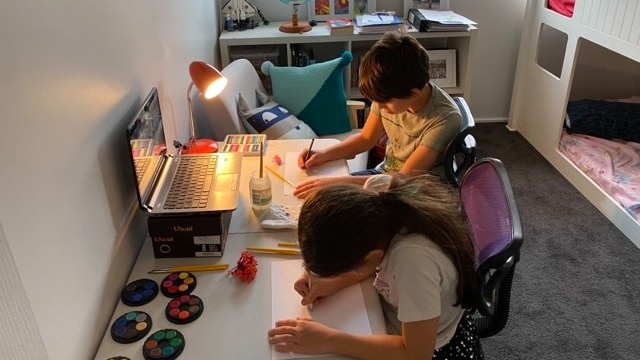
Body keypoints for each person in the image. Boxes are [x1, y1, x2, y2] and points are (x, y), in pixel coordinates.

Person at [268, 174, 484, 359]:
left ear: (371, 256)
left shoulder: (412, 262)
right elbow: (369, 261)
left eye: (345, 268)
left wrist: (328, 339)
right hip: (405, 314)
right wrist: (332, 280)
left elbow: (417, 354)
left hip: (433, 346)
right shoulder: (378, 199)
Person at [293, 32, 462, 199]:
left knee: (336, 203)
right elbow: (366, 138)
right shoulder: (389, 92)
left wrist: (339, 183)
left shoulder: (445, 118)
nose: (379, 107)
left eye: (384, 102)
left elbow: (404, 179)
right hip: (386, 174)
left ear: (414, 93)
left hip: (416, 191)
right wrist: (323, 154)